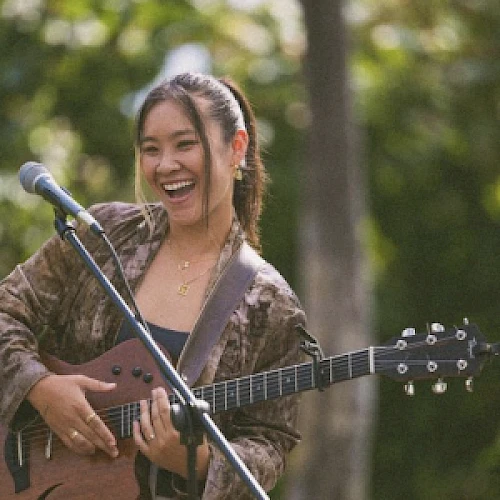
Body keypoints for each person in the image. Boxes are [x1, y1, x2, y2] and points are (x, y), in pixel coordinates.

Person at [0, 72, 307, 499]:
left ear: (237, 148)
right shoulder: (103, 235)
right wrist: (39, 386)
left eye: (185, 144)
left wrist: (196, 460)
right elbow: (5, 313)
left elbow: (269, 443)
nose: (165, 165)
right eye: (151, 149)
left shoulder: (268, 303)